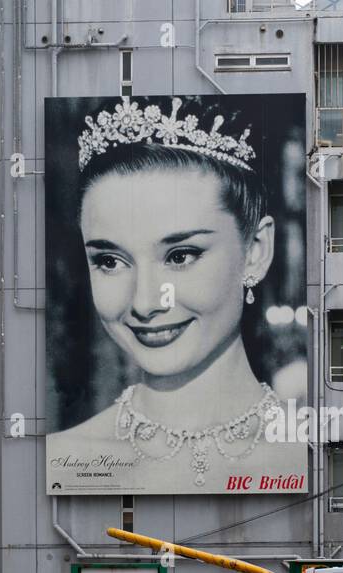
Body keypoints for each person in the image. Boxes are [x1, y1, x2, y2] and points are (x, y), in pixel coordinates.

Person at [49, 97, 304, 492]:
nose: (145, 303)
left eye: (180, 256)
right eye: (111, 261)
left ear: (256, 251)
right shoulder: (62, 462)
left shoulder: (312, 456)